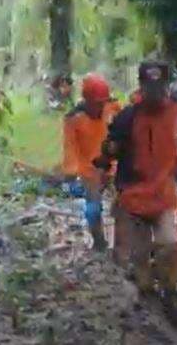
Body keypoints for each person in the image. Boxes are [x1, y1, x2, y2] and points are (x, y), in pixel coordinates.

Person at [95, 61, 177, 326]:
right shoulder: (127, 118)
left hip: (162, 196)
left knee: (171, 244)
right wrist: (107, 156)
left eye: (159, 87)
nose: (155, 93)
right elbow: (109, 149)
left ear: (165, 86)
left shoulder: (175, 112)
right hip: (134, 198)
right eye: (149, 88)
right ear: (141, 87)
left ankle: (170, 294)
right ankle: (146, 297)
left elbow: (173, 149)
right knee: (138, 259)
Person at [61, 73, 121, 251]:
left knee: (125, 205)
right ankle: (99, 242)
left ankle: (121, 246)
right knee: (93, 209)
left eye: (103, 102)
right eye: (97, 103)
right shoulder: (74, 119)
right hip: (90, 169)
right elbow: (70, 149)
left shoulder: (114, 108)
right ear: (86, 100)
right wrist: (71, 174)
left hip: (114, 165)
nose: (101, 106)